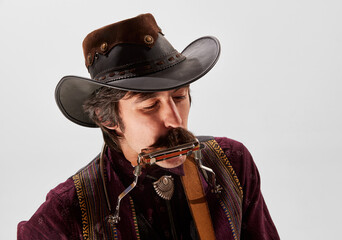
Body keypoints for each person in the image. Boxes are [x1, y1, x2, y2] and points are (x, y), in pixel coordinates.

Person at [17, 13, 280, 240]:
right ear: (107, 118)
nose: (175, 120)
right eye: (150, 106)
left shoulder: (232, 163)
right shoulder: (64, 214)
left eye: (179, 97)